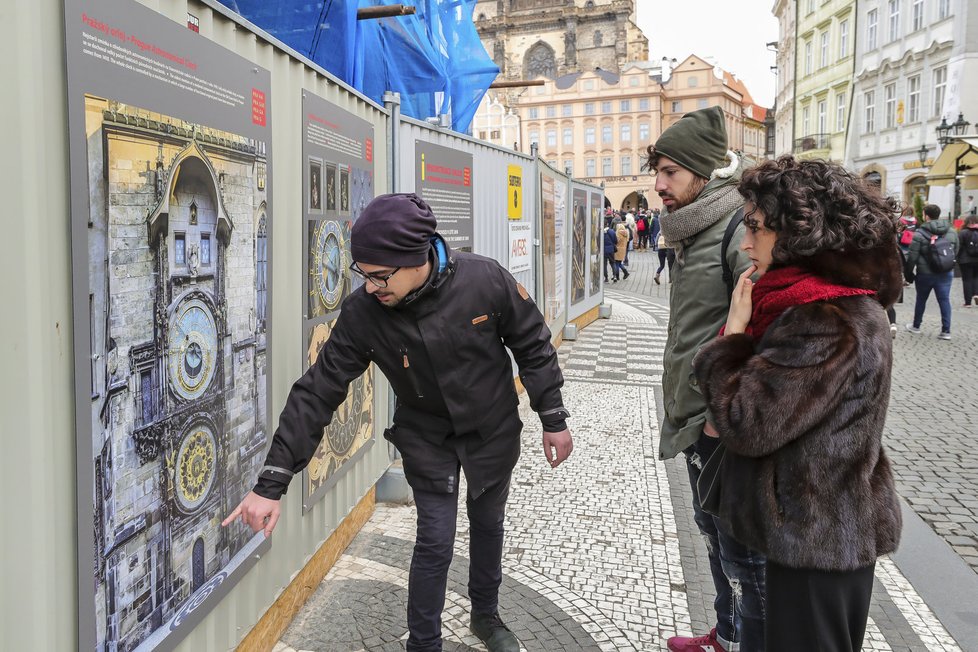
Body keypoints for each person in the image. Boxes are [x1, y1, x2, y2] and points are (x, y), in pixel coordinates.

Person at [222, 193, 573, 652]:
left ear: (415, 258)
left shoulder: (484, 279)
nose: (370, 287)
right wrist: (272, 481)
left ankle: (486, 617)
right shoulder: (364, 313)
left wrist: (552, 415)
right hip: (426, 437)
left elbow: (532, 343)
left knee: (488, 523)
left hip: (491, 429)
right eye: (362, 275)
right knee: (435, 539)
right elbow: (319, 389)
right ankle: (423, 645)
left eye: (380, 276)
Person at [692, 156, 902, 649]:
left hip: (813, 538)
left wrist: (734, 337)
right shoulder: (838, 302)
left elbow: (747, 423)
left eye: (756, 228)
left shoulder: (820, 317)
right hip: (829, 529)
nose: (746, 243)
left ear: (796, 234)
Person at [643, 106, 763, 652]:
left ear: (701, 171)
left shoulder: (736, 228)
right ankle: (727, 632)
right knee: (712, 535)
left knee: (741, 549)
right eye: (657, 172)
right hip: (696, 417)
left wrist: (722, 415)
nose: (659, 184)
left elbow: (766, 333)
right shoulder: (695, 225)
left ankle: (745, 640)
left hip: (722, 422)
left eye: (670, 172)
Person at [904, 203, 958, 339]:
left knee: (921, 299)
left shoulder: (919, 234)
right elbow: (955, 250)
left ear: (926, 215)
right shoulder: (951, 231)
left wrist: (908, 274)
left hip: (925, 274)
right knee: (944, 300)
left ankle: (916, 326)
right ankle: (946, 331)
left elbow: (912, 257)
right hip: (946, 273)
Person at [958, 215, 978, 306]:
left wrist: (957, 258)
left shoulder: (963, 233)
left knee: (967, 280)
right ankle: (976, 294)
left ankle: (968, 302)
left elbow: (959, 247)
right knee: (976, 278)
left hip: (965, 260)